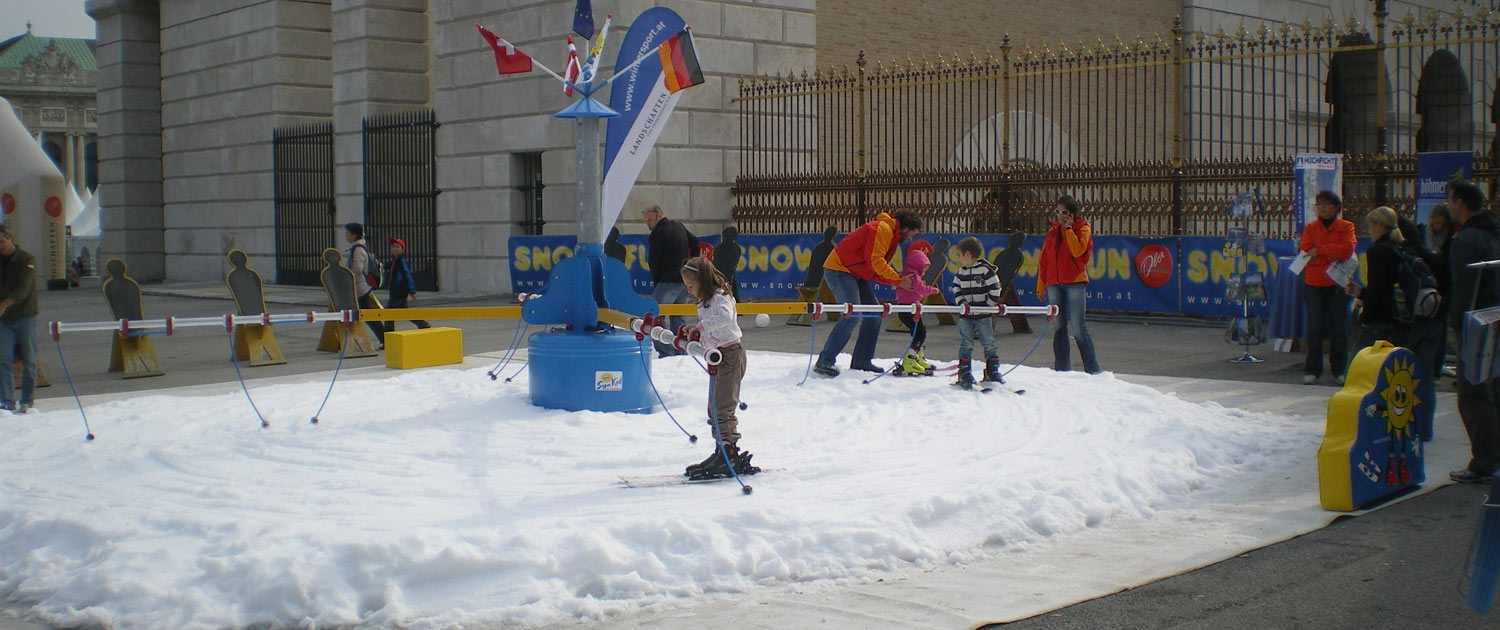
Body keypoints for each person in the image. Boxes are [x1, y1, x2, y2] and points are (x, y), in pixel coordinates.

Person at [678, 257, 759, 480]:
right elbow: (709, 331)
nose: (689, 290)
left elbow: (725, 317)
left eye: (691, 286)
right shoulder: (703, 301)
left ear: (703, 281)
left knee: (723, 407)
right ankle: (721, 449)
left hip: (731, 355)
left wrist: (701, 327)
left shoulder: (721, 297)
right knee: (713, 407)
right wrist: (694, 335)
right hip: (717, 357)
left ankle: (729, 452)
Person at [813, 211, 922, 377]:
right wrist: (898, 280)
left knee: (875, 314)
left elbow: (874, 266)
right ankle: (825, 361)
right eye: (911, 235)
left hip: (856, 272)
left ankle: (861, 361)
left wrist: (896, 281)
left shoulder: (890, 235)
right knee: (852, 314)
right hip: (840, 269)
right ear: (905, 228)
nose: (910, 240)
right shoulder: (883, 229)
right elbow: (875, 261)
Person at [1444, 181, 1500, 483]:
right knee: (1493, 388)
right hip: (1495, 316)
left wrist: (1456, 323)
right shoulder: (1492, 232)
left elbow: (1463, 288)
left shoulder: (1467, 239)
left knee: (1472, 393)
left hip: (1476, 322)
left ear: (1460, 203)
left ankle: (1484, 461)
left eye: (1450, 201)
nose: (1448, 206)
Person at [1346, 207, 1440, 369]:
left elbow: (1378, 290)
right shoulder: (1399, 248)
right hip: (1400, 317)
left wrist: (1365, 318)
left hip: (1380, 320)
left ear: (1379, 226)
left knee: (1357, 369)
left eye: (1370, 226)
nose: (1369, 231)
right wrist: (1360, 292)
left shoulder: (1377, 251)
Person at [1036, 196, 1101, 374]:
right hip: (1055, 283)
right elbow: (1044, 260)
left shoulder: (1083, 228)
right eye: (1057, 212)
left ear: (1072, 214)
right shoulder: (1051, 233)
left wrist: (1069, 229)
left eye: (1064, 212)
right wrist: (1041, 285)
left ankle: (1092, 369)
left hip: (1074, 282)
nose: (1060, 216)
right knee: (1059, 326)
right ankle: (1062, 369)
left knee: (1079, 326)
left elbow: (1078, 250)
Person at [1297, 191, 1356, 385]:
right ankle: (1313, 369)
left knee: (1339, 328)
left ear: (1336, 207)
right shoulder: (1310, 228)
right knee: (1315, 328)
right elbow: (1305, 251)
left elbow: (1346, 250)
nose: (1322, 207)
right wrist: (1330, 251)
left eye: (1326, 204)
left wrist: (1320, 250)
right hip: (1314, 283)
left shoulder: (1346, 226)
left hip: (1337, 284)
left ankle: (1339, 369)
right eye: (1319, 204)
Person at [642, 205, 696, 358]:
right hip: (683, 280)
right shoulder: (679, 226)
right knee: (678, 317)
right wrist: (690, 265)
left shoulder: (657, 234)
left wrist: (656, 279)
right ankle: (681, 350)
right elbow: (695, 242)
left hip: (667, 280)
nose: (648, 223)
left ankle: (666, 352)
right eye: (645, 220)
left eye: (650, 219)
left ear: (659, 216)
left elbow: (654, 260)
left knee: (654, 316)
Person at [951, 237, 1003, 389]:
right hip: (966, 314)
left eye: (959, 255)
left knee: (988, 342)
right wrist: (962, 304)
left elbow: (995, 288)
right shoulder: (961, 272)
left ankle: (992, 370)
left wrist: (987, 306)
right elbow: (956, 288)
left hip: (983, 313)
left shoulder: (986, 270)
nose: (959, 259)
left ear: (967, 255)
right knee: (966, 342)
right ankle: (965, 371)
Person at [0, 224, 38, 414]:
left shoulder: (26, 259)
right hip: (3, 321)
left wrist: (4, 304)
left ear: (9, 238)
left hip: (25, 316)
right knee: (3, 359)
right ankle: (6, 401)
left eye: (1, 241)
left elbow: (22, 289)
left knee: (29, 360)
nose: (0, 246)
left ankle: (27, 401)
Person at [895, 239, 939, 376]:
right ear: (917, 266)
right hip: (909, 309)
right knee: (920, 333)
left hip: (908, 309)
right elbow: (920, 289)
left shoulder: (907, 273)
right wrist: (933, 290)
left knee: (918, 332)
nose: (924, 273)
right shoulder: (913, 276)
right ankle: (910, 360)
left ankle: (917, 357)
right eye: (923, 270)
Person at [343, 222, 387, 348]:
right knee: (367, 315)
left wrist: (348, 277)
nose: (346, 235)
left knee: (368, 316)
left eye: (347, 233)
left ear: (353, 234)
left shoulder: (358, 250)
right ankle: (384, 338)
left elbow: (357, 269)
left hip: (360, 288)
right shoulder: (358, 248)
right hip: (360, 288)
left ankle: (385, 339)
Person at [384, 238, 430, 333]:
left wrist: (412, 291)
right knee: (405, 312)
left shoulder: (402, 261)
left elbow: (408, 275)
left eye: (397, 247)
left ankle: (387, 337)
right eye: (393, 247)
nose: (394, 249)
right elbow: (384, 266)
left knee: (388, 314)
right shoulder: (394, 261)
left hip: (399, 291)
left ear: (402, 249)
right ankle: (423, 324)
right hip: (397, 291)